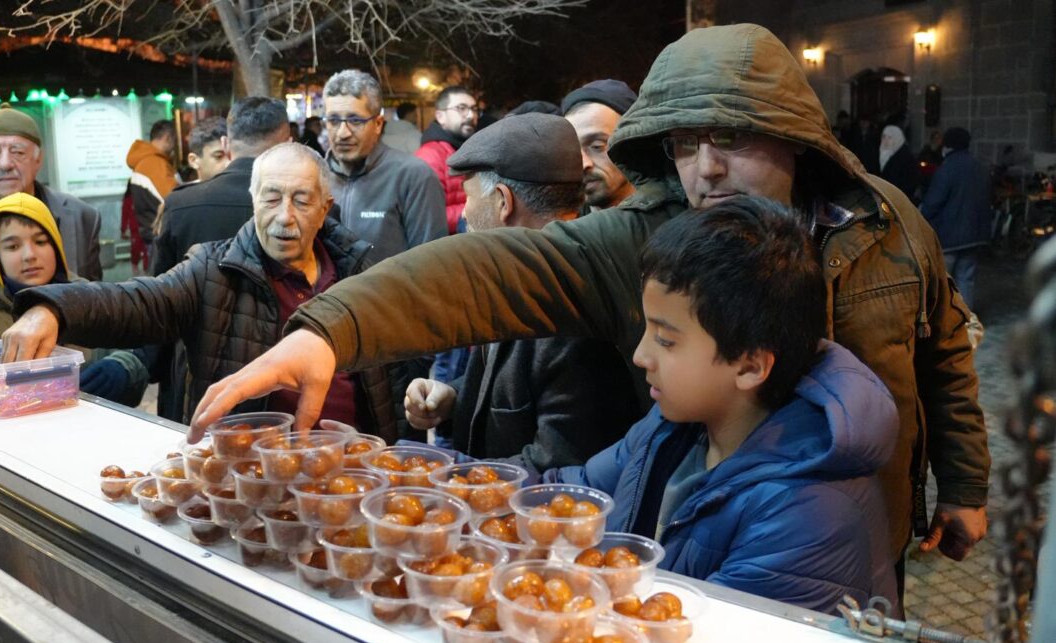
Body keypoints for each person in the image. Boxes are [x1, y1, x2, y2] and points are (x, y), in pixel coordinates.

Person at [67, 24, 994, 593]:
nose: (706, 169)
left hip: (861, 530)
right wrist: (329, 330)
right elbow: (491, 271)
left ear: (794, 140)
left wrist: (967, 489)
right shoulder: (651, 240)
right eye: (687, 143)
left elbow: (943, 345)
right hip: (715, 549)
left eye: (737, 141)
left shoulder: (887, 219)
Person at [550, 197, 898, 613]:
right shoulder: (672, 428)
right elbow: (574, 494)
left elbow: (707, 631)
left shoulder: (807, 516)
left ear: (750, 366)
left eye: (666, 340)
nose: (641, 355)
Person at [2, 144, 398, 438]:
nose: (284, 217)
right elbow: (137, 300)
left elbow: (392, 376)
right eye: (271, 198)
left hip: (352, 467)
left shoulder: (359, 275)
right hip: (247, 470)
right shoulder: (212, 270)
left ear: (325, 208)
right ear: (253, 202)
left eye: (301, 201)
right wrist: (53, 310)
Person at [404, 114, 642, 472]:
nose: (465, 213)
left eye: (469, 197)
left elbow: (559, 468)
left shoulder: (573, 314)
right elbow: (508, 389)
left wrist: (439, 471)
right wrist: (452, 395)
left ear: (503, 201)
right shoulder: (518, 276)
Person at [0, 192, 146, 405]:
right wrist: (55, 392)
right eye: (13, 246)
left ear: (56, 246)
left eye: (40, 241)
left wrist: (122, 369)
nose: (29, 255)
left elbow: (134, 357)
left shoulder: (88, 295)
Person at [0, 103, 102, 280]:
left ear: (38, 159)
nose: (5, 164)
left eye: (17, 152)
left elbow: (95, 298)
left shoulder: (83, 216)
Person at [153, 97, 290, 275]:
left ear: (225, 144)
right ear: (288, 145)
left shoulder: (179, 205)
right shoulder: (307, 205)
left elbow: (159, 287)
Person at [322, 69, 447, 261]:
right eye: (334, 120)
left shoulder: (414, 176)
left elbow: (430, 265)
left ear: (378, 124)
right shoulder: (313, 177)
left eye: (355, 121)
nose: (342, 133)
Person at [920, 127, 992, 310]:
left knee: (942, 282)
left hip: (949, 236)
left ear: (948, 145)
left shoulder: (947, 169)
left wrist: (920, 219)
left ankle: (943, 326)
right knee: (966, 280)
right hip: (974, 235)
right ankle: (965, 322)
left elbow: (933, 203)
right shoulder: (980, 167)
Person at [561, 79, 638, 212]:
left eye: (597, 146)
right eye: (571, 150)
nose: (583, 164)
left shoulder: (673, 222)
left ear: (635, 142)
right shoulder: (558, 226)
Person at [415, 87, 480, 234]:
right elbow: (428, 215)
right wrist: (481, 209)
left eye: (474, 109)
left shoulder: (468, 149)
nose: (471, 115)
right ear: (440, 116)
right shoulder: (430, 156)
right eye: (461, 108)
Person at [126, 119, 178, 253]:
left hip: (152, 235)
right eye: (174, 140)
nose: (174, 146)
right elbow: (176, 198)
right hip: (162, 238)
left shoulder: (144, 162)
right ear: (168, 138)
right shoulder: (154, 163)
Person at [878, 125, 920, 203]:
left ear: (897, 138)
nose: (886, 140)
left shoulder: (905, 157)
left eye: (890, 137)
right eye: (884, 137)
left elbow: (908, 184)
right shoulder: (888, 152)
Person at [185, 117, 230, 183]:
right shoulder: (186, 193)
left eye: (232, 156)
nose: (229, 163)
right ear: (194, 161)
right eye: (219, 156)